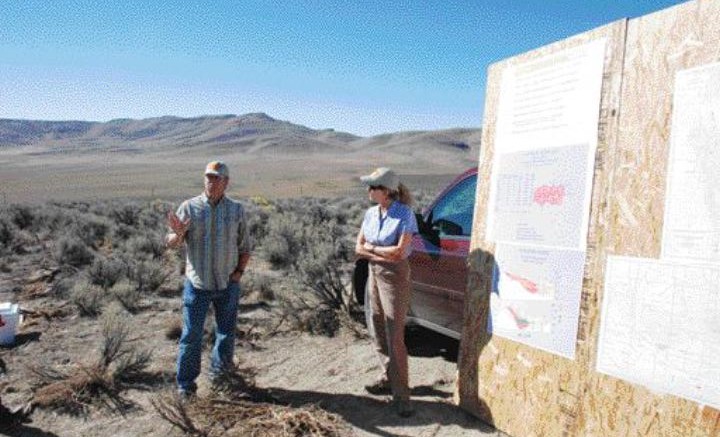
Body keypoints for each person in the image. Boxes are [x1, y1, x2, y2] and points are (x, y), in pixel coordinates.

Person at [166, 161, 251, 398]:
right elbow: (171, 242)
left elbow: (245, 246)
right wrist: (178, 234)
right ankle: (186, 387)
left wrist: (238, 274)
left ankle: (220, 379)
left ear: (226, 182)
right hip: (198, 284)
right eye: (208, 177)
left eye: (216, 178)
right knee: (191, 336)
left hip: (227, 284)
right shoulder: (190, 208)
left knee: (226, 335)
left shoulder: (236, 210)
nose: (211, 182)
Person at [355, 167, 418, 418]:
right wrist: (377, 251)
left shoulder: (404, 214)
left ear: (387, 191)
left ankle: (403, 396)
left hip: (395, 276)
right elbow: (358, 247)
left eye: (373, 187)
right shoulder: (371, 213)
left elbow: (398, 253)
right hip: (374, 273)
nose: (369, 191)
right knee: (378, 327)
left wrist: (371, 248)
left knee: (395, 334)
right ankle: (387, 377)